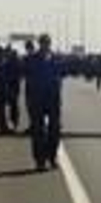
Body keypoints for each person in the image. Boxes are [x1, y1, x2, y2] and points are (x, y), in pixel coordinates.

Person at [24, 34, 66, 170]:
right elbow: (27, 80)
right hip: (37, 100)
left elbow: (60, 76)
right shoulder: (31, 60)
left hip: (53, 99)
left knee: (55, 130)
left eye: (47, 43)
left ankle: (52, 157)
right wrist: (29, 101)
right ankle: (40, 161)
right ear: (40, 44)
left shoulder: (56, 59)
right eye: (43, 43)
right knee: (38, 132)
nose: (45, 46)